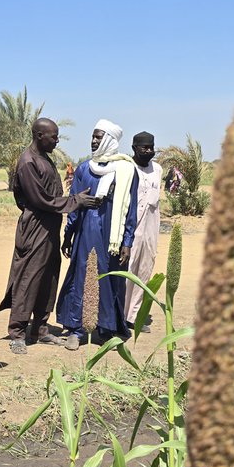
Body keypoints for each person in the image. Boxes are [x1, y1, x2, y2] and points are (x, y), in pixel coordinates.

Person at [0, 118, 87, 354]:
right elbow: (40, 199)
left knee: (48, 277)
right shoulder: (28, 162)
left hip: (49, 227)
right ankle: (17, 332)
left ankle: (40, 328)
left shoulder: (44, 158)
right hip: (35, 227)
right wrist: (76, 201)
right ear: (39, 136)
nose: (57, 141)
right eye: (53, 137)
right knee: (29, 276)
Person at [56, 119, 139, 348]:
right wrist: (68, 234)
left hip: (112, 237)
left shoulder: (126, 170)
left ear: (110, 140)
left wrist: (128, 241)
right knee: (83, 276)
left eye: (98, 137)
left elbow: (130, 208)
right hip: (87, 233)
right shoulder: (84, 168)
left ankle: (107, 327)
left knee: (110, 279)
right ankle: (76, 329)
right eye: (93, 136)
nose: (93, 141)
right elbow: (74, 203)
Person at [124, 132, 162, 331]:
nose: (149, 151)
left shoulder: (158, 169)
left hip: (151, 226)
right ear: (134, 148)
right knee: (128, 268)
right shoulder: (128, 169)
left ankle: (134, 315)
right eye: (144, 148)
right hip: (131, 225)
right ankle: (119, 315)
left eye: (151, 147)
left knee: (145, 268)